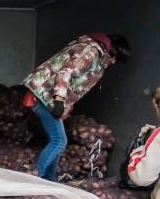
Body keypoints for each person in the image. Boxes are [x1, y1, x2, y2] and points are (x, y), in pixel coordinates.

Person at [22, 33, 131, 181]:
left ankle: (49, 180)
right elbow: (65, 74)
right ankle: (34, 179)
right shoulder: (90, 53)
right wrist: (59, 101)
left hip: (48, 96)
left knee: (58, 140)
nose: (113, 62)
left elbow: (76, 86)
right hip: (43, 94)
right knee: (59, 140)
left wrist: (66, 105)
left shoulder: (97, 57)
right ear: (114, 51)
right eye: (115, 58)